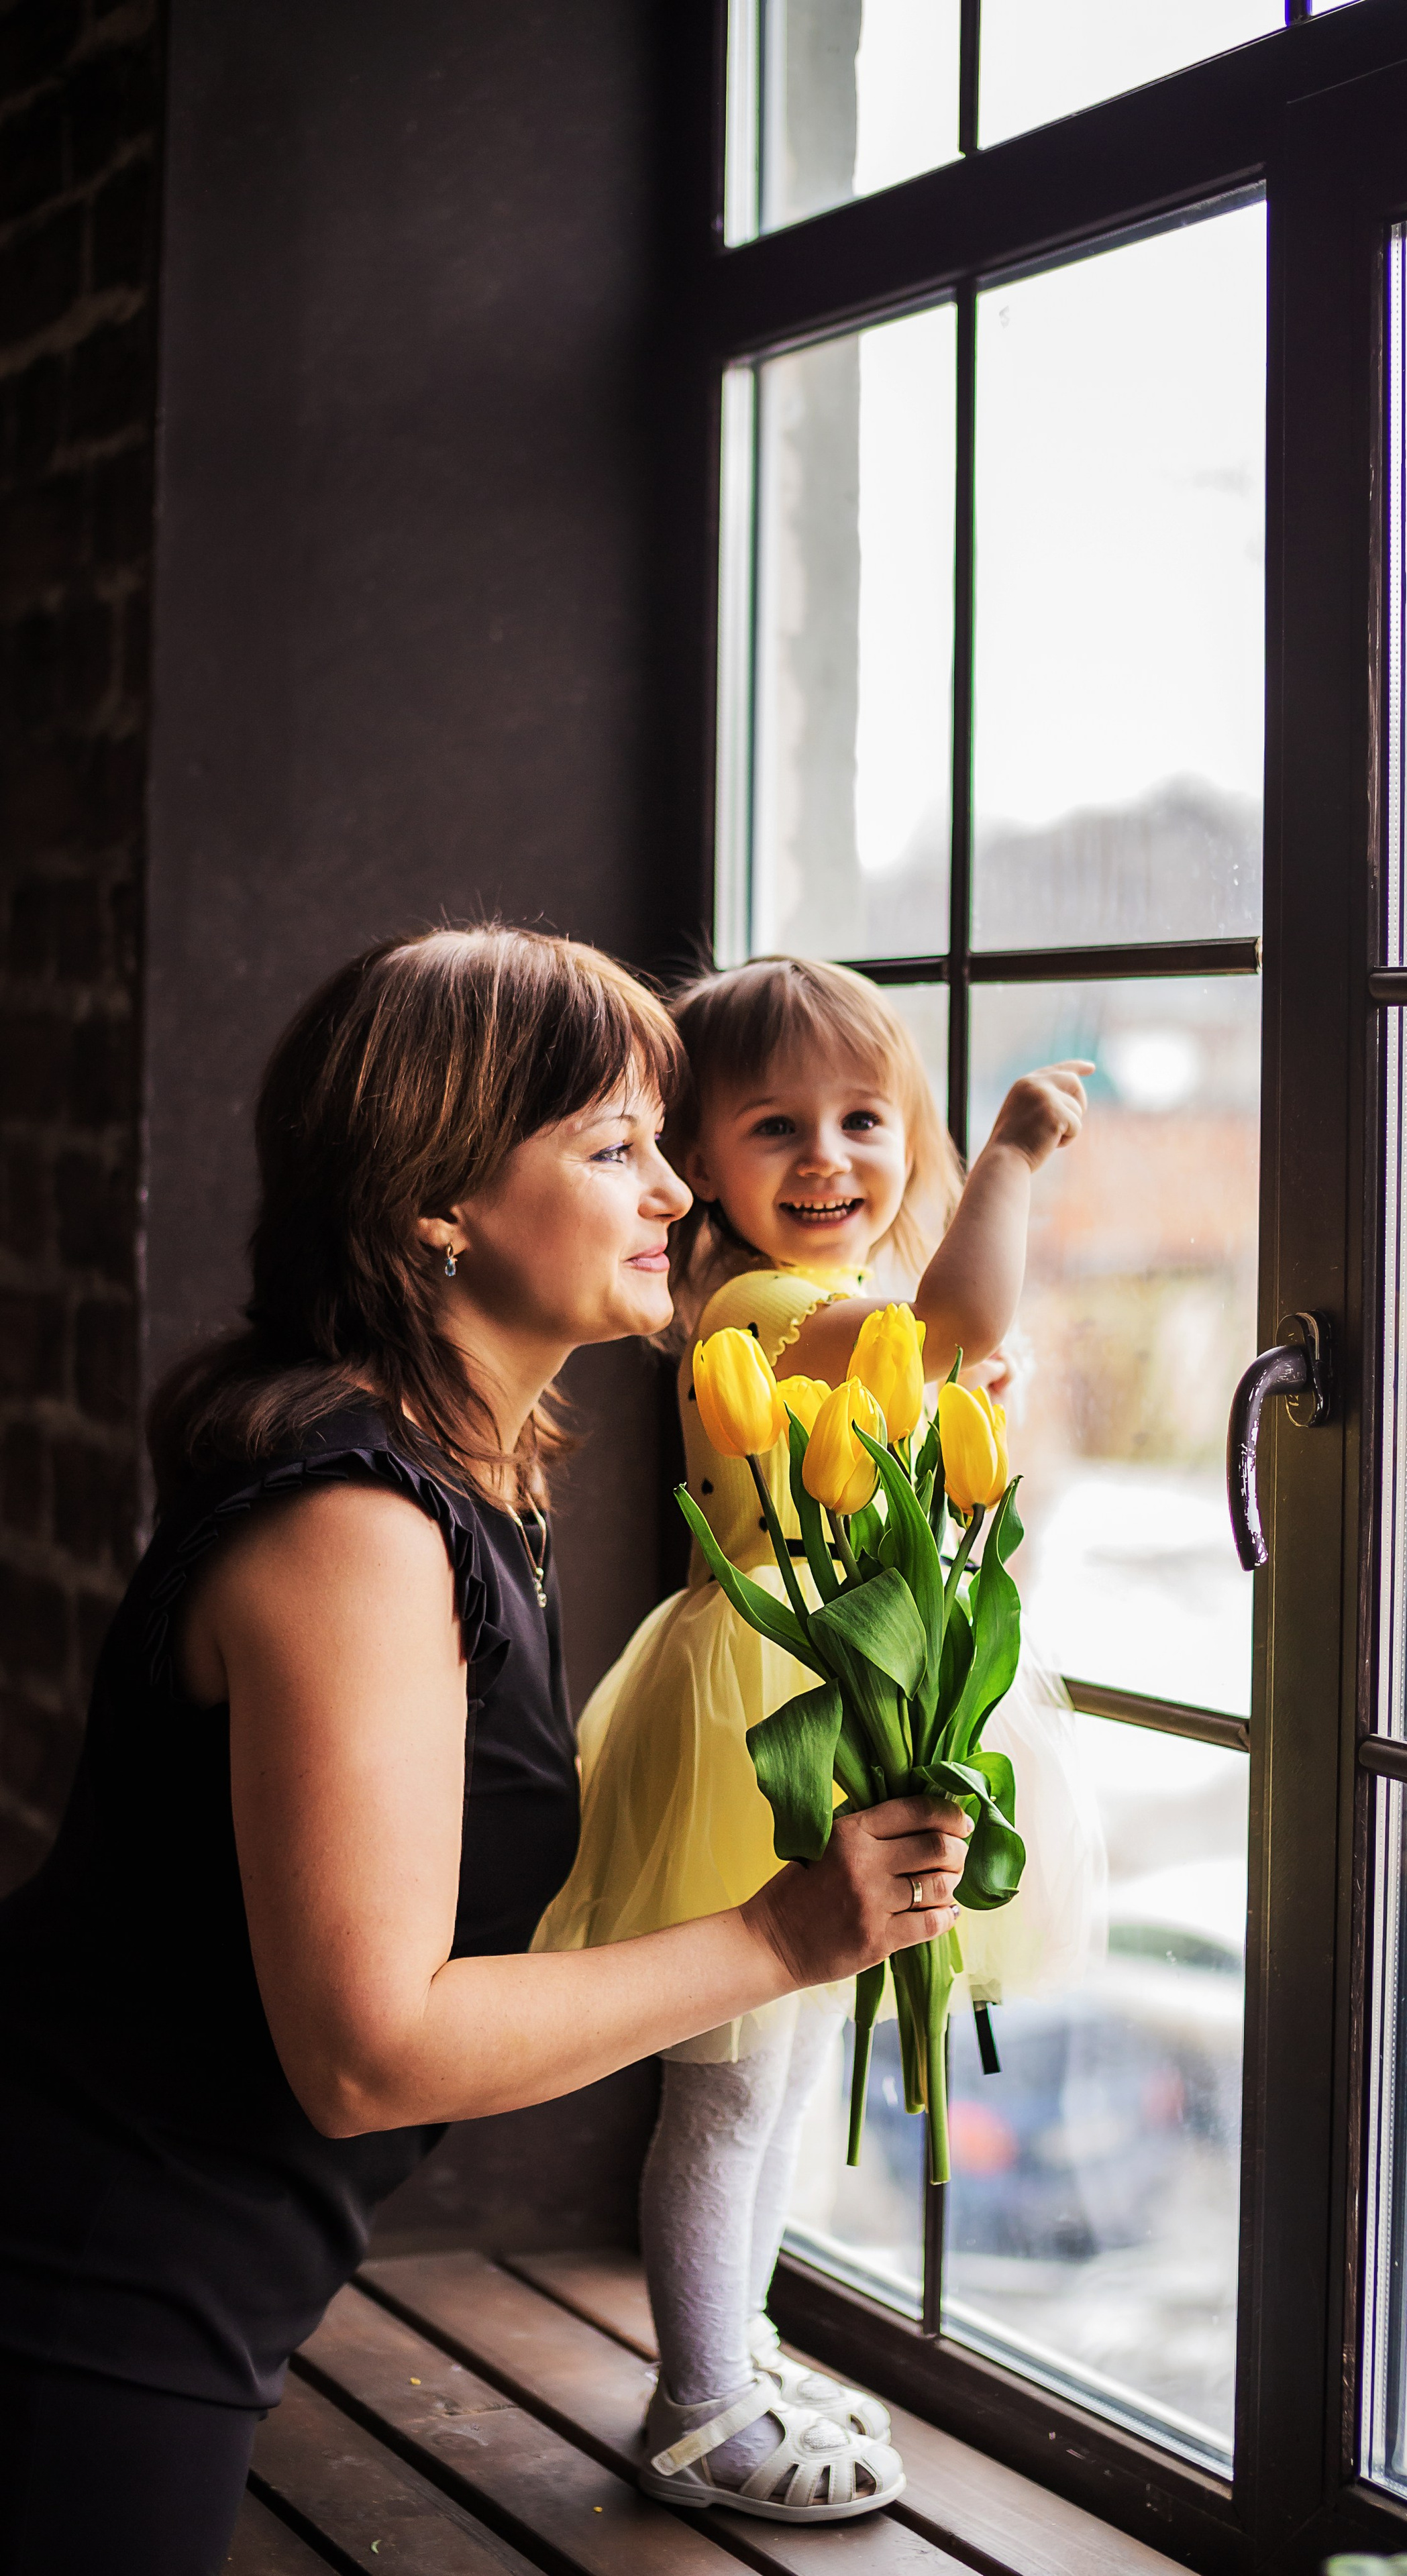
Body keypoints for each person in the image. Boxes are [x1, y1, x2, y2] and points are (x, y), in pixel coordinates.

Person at [0, 927, 970, 2576]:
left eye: (666, 1146)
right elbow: (368, 2054)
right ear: (433, 1203)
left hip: (173, 2275)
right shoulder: (354, 1530)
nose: (676, 1193)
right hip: (83, 2285)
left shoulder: (457, 1477)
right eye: (613, 1148)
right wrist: (777, 1939)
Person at [535, 953, 1102, 2525]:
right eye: (773, 1127)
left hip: (840, 1683)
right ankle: (698, 2404)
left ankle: (735, 2344)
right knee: (730, 2087)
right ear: (697, 1164)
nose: (826, 1159)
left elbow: (939, 1391)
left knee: (779, 2086)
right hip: (763, 1715)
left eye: (863, 1120)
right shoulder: (764, 1302)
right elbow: (959, 1313)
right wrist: (1008, 1159)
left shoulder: (830, 1313)